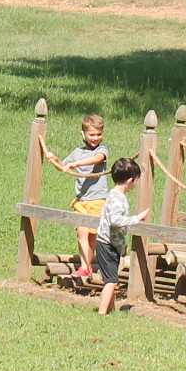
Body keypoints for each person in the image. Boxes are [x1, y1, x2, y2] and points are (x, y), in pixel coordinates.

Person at [50, 113, 110, 280]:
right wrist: (54, 159)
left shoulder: (102, 150)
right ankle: (85, 267)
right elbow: (64, 166)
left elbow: (97, 159)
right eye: (91, 134)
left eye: (98, 134)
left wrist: (76, 164)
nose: (95, 138)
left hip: (97, 200)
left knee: (92, 234)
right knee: (82, 232)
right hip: (81, 200)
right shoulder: (77, 152)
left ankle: (88, 266)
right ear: (83, 134)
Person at [93, 157, 148, 316]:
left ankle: (109, 309)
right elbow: (115, 220)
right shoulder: (118, 198)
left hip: (109, 243)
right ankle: (102, 313)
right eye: (136, 181)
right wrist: (136, 218)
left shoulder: (113, 194)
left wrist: (122, 246)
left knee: (111, 279)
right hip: (107, 244)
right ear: (130, 180)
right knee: (111, 281)